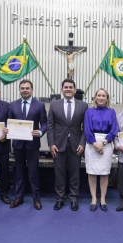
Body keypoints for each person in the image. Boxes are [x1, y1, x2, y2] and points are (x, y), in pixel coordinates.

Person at [47, 78, 88, 211]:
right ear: (62, 90)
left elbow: (86, 127)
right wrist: (51, 144)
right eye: (66, 87)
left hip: (76, 145)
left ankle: (74, 198)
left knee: (75, 173)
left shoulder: (83, 105)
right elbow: (50, 125)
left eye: (71, 87)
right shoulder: (54, 104)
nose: (68, 89)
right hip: (58, 145)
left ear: (75, 90)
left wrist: (83, 143)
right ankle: (60, 199)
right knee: (59, 173)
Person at [7, 79, 47, 210]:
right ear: (19, 90)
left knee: (33, 173)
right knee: (19, 172)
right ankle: (18, 197)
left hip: (33, 144)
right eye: (22, 88)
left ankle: (36, 199)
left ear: (32, 90)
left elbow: (45, 124)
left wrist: (40, 132)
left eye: (27, 88)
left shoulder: (40, 105)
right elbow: (9, 122)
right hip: (17, 144)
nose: (25, 90)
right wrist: (7, 129)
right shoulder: (12, 105)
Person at [84, 88, 118, 212]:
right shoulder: (89, 111)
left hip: (106, 143)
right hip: (91, 143)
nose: (101, 98)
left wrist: (103, 142)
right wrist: (94, 143)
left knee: (104, 173)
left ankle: (103, 199)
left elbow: (114, 129)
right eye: (99, 95)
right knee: (91, 172)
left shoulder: (112, 112)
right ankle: (94, 199)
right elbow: (87, 129)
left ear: (107, 98)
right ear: (95, 97)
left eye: (104, 95)